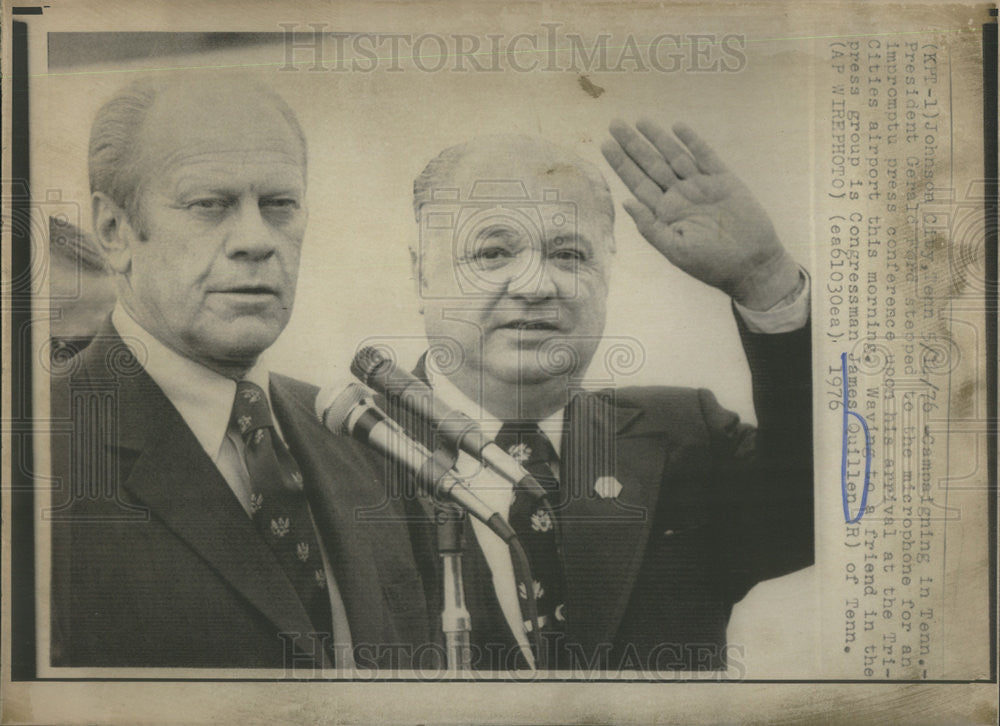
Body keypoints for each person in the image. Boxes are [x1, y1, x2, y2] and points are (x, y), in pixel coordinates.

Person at [48, 77, 432, 670]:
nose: (257, 240)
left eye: (280, 205)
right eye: (209, 204)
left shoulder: (363, 438)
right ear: (113, 231)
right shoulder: (38, 454)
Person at [397, 126, 812, 672]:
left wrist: (765, 280)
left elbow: (842, 509)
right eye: (493, 252)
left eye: (569, 254)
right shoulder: (336, 451)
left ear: (608, 273)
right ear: (420, 273)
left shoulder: (685, 441)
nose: (535, 285)